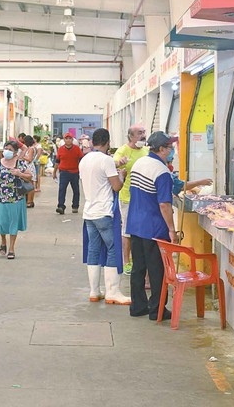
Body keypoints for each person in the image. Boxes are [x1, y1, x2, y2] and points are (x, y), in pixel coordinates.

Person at [126, 131, 179, 321]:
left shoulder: (140, 163)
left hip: (135, 223)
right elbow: (164, 205)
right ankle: (157, 309)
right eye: (170, 147)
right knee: (157, 270)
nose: (172, 150)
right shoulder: (162, 171)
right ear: (162, 149)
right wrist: (172, 230)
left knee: (139, 267)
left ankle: (138, 305)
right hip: (154, 227)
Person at [79, 128, 131, 305]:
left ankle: (94, 291)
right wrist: (122, 176)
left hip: (89, 212)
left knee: (93, 249)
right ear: (108, 142)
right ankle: (113, 292)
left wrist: (115, 167)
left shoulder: (85, 159)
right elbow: (116, 187)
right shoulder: (107, 160)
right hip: (104, 211)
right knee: (112, 248)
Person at [0, 140, 32, 259]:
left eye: (10, 149)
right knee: (2, 223)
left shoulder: (20, 163)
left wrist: (19, 174)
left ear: (16, 152)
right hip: (1, 198)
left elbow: (29, 177)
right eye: (6, 148)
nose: (7, 151)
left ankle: (11, 248)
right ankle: (3, 241)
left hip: (16, 199)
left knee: (13, 223)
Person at [113, 125, 148, 275]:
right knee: (127, 230)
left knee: (142, 230)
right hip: (128, 196)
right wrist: (119, 163)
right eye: (140, 133)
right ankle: (126, 261)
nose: (143, 136)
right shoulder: (123, 151)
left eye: (144, 133)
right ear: (131, 136)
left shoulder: (146, 151)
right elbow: (112, 163)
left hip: (145, 197)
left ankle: (138, 259)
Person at [53, 132, 84, 214]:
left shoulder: (77, 149)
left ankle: (75, 206)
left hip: (75, 172)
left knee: (76, 190)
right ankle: (60, 206)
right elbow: (57, 161)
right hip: (64, 172)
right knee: (62, 189)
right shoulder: (61, 149)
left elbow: (81, 160)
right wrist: (54, 172)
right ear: (64, 140)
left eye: (70, 138)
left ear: (72, 140)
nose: (68, 140)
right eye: (66, 138)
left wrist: (83, 171)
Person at [22, 135, 37, 208]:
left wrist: (22, 157)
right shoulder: (31, 148)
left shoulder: (31, 149)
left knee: (30, 185)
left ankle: (30, 201)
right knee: (30, 184)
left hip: (29, 167)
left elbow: (30, 159)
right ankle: (30, 200)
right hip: (29, 166)